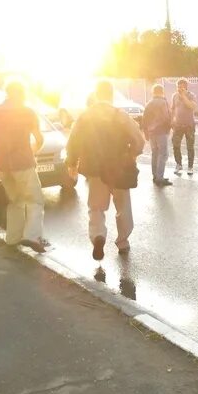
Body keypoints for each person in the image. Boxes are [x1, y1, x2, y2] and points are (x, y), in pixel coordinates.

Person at [65, 80, 145, 261]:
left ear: (96, 95)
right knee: (123, 207)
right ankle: (123, 242)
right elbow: (139, 140)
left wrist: (72, 163)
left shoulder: (85, 116)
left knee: (96, 207)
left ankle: (98, 236)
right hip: (119, 169)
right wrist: (132, 154)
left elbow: (73, 141)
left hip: (94, 170)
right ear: (111, 95)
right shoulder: (120, 116)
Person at [0, 81, 47, 253]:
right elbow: (39, 139)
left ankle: (12, 238)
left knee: (15, 201)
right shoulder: (27, 112)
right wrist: (32, 151)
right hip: (23, 163)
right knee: (35, 200)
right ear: (22, 93)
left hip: (2, 164)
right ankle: (32, 236)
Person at [142, 84, 172, 186]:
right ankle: (160, 177)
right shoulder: (163, 102)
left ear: (153, 92)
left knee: (154, 153)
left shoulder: (149, 103)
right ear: (162, 91)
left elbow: (144, 118)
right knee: (163, 154)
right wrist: (170, 127)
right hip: (161, 131)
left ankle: (155, 175)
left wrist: (146, 131)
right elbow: (167, 117)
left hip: (151, 132)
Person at [170, 78, 197, 175]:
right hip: (178, 125)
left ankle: (190, 167)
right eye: (178, 86)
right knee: (175, 145)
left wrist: (184, 96)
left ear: (186, 87)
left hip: (189, 125)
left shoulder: (191, 95)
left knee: (190, 147)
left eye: (181, 87)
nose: (179, 88)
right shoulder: (174, 96)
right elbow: (172, 109)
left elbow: (192, 107)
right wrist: (171, 121)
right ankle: (178, 164)